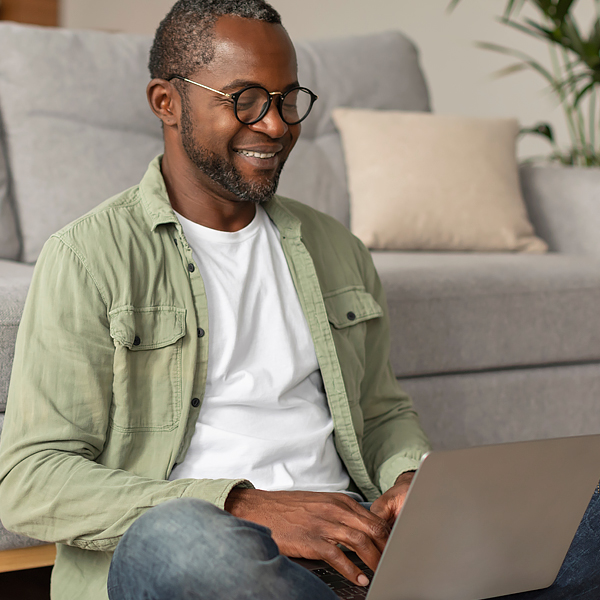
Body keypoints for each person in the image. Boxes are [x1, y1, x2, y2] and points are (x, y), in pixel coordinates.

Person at [0, 2, 597, 600]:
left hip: (360, 554)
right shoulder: (87, 258)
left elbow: (382, 412)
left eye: (288, 99)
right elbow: (29, 480)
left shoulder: (336, 248)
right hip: (224, 557)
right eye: (246, 100)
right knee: (178, 542)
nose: (277, 125)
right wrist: (243, 506)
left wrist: (412, 479)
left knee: (585, 508)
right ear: (167, 102)